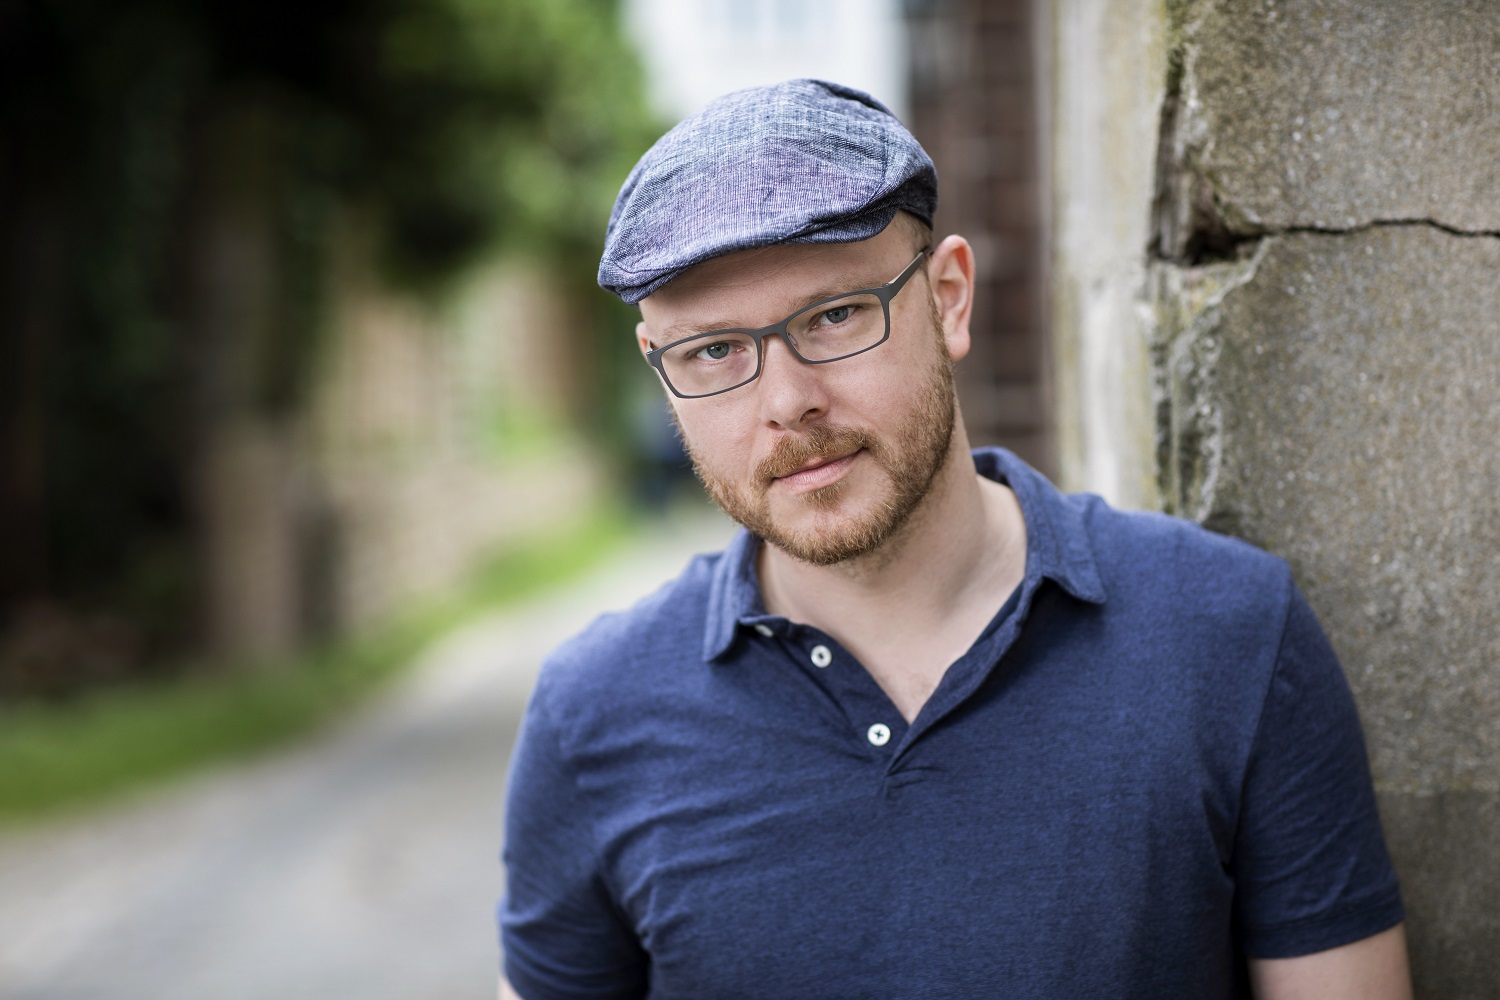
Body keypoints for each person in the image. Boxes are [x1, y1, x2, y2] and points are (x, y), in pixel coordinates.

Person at [497, 79, 1410, 999]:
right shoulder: (592, 715)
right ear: (662, 374)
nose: (786, 402)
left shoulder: (1230, 635)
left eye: (835, 316)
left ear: (949, 300)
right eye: (713, 351)